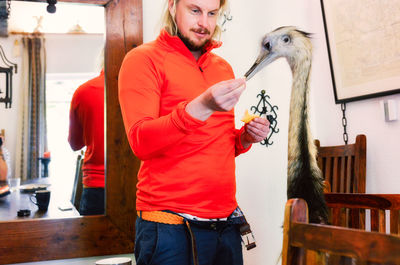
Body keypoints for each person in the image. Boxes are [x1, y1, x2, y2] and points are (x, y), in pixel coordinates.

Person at [118, 0, 270, 264]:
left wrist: (245, 138)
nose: (204, 23)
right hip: (169, 228)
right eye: (195, 10)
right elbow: (140, 142)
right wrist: (201, 106)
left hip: (226, 225)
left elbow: (215, 144)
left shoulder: (222, 68)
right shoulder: (142, 59)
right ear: (172, 6)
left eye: (212, 13)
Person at [68, 70, 105, 215]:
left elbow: (75, 143)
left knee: (92, 237)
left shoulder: (83, 91)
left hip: (96, 184)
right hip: (140, 186)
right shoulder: (145, 89)